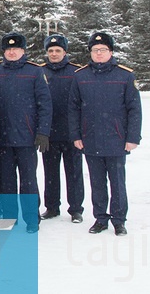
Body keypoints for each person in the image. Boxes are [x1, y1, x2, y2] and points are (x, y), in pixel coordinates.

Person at [69, 32, 142, 237]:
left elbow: (134, 109)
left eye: (103, 50)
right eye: (95, 50)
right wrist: (76, 135)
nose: (99, 53)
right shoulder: (81, 76)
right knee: (96, 182)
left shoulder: (125, 76)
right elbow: (73, 108)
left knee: (118, 182)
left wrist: (132, 138)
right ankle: (100, 218)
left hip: (116, 139)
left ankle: (119, 220)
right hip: (90, 138)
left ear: (110, 52)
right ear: (90, 53)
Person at [0, 32, 52, 234]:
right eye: (8, 49)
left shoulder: (34, 72)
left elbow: (45, 104)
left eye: (16, 49)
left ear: (23, 51)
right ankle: (9, 217)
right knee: (6, 182)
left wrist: (43, 132)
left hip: (27, 138)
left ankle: (32, 219)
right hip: (3, 138)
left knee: (28, 181)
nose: (12, 52)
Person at [39, 34, 85, 223]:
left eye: (58, 50)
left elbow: (82, 103)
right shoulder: (40, 72)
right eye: (50, 51)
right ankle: (52, 207)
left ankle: (75, 209)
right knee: (50, 172)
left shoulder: (76, 72)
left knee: (73, 171)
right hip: (48, 132)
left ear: (65, 52)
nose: (54, 54)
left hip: (71, 132)